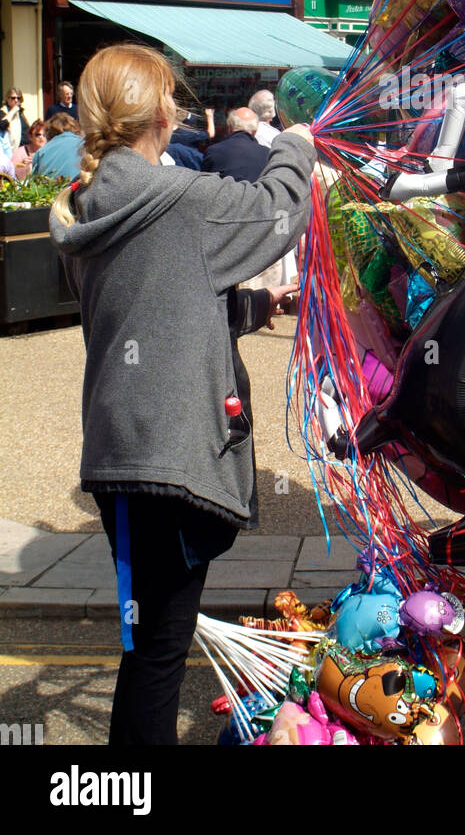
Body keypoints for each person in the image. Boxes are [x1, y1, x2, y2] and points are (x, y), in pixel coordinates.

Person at [49, 42, 315, 745]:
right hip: (158, 458)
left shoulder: (92, 201)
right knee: (155, 657)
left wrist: (254, 310)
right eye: (172, 93)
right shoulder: (173, 200)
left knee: (154, 648)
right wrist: (294, 139)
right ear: (160, 108)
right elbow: (278, 209)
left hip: (128, 456)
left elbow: (150, 307)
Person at [202, 107, 269, 181]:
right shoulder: (268, 154)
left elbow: (205, 183)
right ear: (255, 132)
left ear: (229, 128)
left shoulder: (213, 151)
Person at [31, 114, 83, 179]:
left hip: (51, 188)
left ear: (48, 132)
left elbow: (34, 184)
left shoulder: (41, 152)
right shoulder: (86, 145)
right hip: (82, 187)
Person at [0, 87, 30, 153]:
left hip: (22, 152)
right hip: (8, 152)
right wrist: (13, 110)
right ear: (7, 99)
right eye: (13, 98)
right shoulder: (3, 112)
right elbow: (2, 125)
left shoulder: (20, 113)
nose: (16, 100)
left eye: (18, 98)